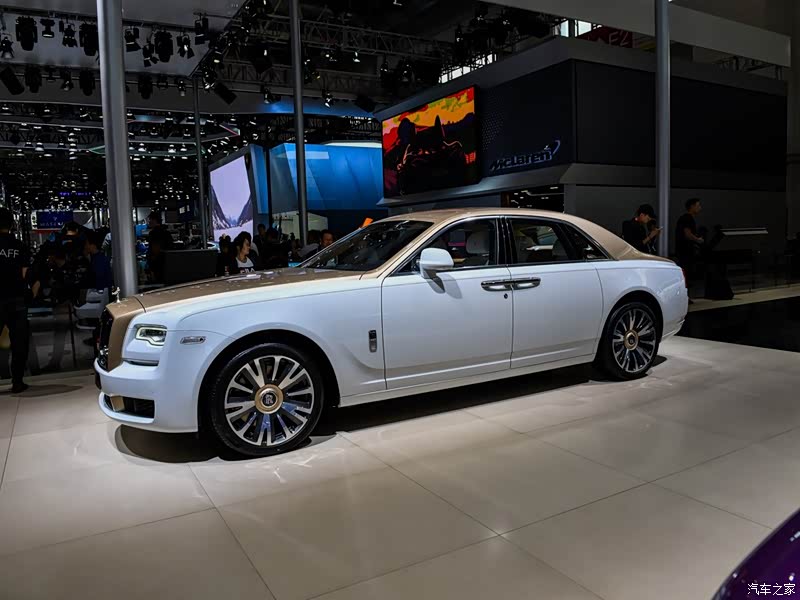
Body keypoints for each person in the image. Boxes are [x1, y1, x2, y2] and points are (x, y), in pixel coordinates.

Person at [0, 208, 30, 393]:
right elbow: (24, 273)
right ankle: (17, 382)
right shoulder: (19, 246)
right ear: (11, 224)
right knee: (19, 343)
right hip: (16, 299)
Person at [675, 198, 704, 301]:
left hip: (683, 251)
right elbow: (687, 234)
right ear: (692, 206)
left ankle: (685, 296)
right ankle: (685, 297)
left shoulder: (686, 218)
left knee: (686, 273)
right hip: (685, 251)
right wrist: (698, 240)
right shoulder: (687, 218)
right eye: (698, 205)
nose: (700, 208)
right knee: (687, 273)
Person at [145, 211, 173, 283]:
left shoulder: (153, 233)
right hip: (167, 263)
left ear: (154, 220)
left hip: (157, 263)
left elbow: (154, 249)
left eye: (150, 220)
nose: (149, 222)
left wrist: (150, 263)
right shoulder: (167, 233)